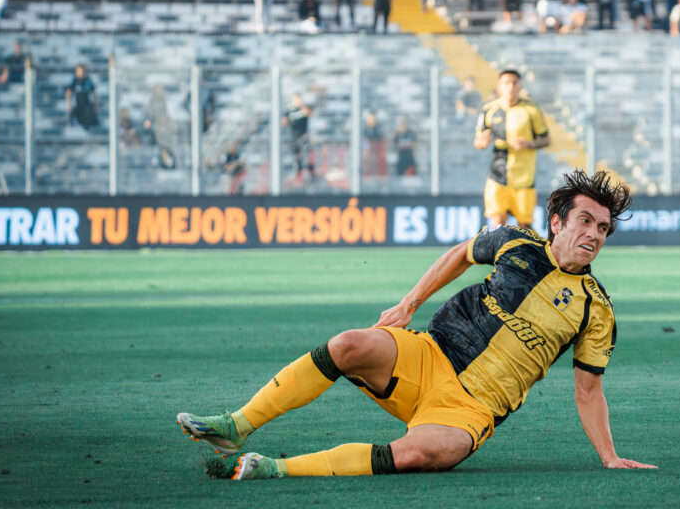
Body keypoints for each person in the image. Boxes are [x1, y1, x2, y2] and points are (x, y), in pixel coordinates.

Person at [177, 169, 655, 479]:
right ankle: (237, 424)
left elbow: (588, 390)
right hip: (429, 357)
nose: (594, 235)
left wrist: (609, 456)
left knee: (416, 455)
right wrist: (409, 303)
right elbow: (459, 255)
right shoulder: (516, 244)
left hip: (472, 410)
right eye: (586, 221)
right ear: (557, 222)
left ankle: (274, 469)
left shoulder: (596, 309)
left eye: (603, 229)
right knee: (347, 345)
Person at [473, 69, 550, 229]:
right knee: (497, 224)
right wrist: (483, 141)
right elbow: (479, 142)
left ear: (520, 86)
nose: (511, 87)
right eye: (506, 83)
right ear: (499, 86)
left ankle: (524, 254)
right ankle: (499, 255)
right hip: (497, 177)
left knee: (525, 227)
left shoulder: (531, 110)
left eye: (514, 83)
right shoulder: (489, 110)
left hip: (524, 179)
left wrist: (528, 144)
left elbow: (546, 139)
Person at [281, 93, 313, 178]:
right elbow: (283, 123)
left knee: (308, 155)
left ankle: (310, 172)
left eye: (298, 99)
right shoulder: (289, 111)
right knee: (296, 157)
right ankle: (298, 173)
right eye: (295, 99)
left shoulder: (304, 109)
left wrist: (302, 106)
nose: (297, 101)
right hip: (293, 137)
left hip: (304, 136)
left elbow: (309, 113)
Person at [65, 64, 99, 130]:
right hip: (77, 105)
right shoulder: (74, 80)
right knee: (73, 117)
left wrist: (96, 105)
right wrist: (68, 104)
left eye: (82, 71)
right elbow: (68, 92)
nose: (80, 73)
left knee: (90, 116)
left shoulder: (88, 81)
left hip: (86, 104)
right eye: (79, 71)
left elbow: (93, 93)